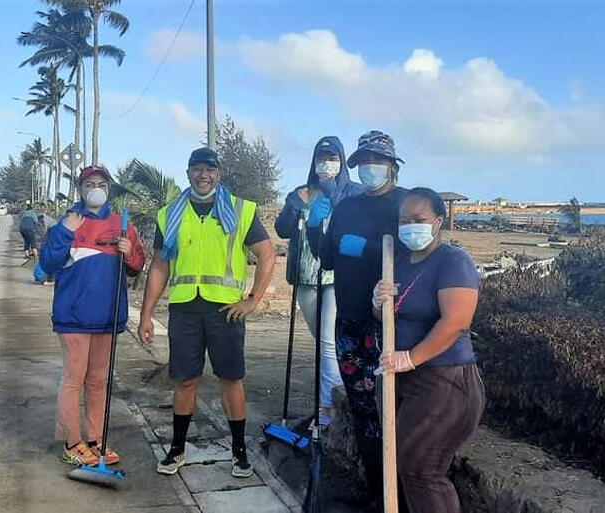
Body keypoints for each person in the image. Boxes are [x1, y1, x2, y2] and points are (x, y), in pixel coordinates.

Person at [138, 147, 276, 479]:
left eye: (210, 169)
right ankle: (177, 449)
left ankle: (239, 451)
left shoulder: (241, 211)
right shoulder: (169, 214)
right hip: (185, 307)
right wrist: (146, 314)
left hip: (226, 310)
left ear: (219, 174)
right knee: (185, 380)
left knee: (231, 379)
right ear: (188, 173)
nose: (204, 175)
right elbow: (159, 266)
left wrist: (252, 300)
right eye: (197, 169)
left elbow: (267, 255)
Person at [307, 130, 408, 506]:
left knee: (393, 411)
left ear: (392, 167)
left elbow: (417, 252)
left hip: (390, 325)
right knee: (365, 414)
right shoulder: (347, 207)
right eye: (364, 163)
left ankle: (401, 493)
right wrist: (318, 229)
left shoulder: (405, 204)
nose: (369, 169)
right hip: (350, 321)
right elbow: (329, 260)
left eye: (377, 163)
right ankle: (376, 493)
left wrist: (369, 250)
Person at [373, 188, 485, 513]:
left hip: (444, 380)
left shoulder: (453, 260)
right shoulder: (399, 262)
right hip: (401, 377)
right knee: (402, 464)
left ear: (438, 221)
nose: (410, 226)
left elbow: (456, 322)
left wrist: (411, 358)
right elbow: (392, 316)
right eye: (403, 220)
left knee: (422, 469)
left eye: (418, 220)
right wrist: (378, 303)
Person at [40, 165, 146, 466]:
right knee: (74, 379)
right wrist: (64, 232)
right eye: (89, 184)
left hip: (108, 317)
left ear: (108, 188)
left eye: (101, 183)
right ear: (81, 189)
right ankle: (72, 443)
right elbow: (48, 262)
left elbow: (137, 266)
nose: (95, 189)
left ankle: (97, 440)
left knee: (98, 381)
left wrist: (130, 251)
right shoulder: (69, 221)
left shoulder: (122, 225)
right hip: (73, 316)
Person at [274, 136, 364, 426]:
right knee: (324, 341)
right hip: (304, 275)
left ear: (341, 161)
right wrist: (294, 205)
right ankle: (339, 392)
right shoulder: (301, 193)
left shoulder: (352, 193)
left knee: (327, 341)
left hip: (336, 277)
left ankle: (328, 410)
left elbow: (356, 225)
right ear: (313, 161)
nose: (327, 163)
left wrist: (333, 197)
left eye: (333, 157)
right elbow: (283, 230)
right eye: (322, 157)